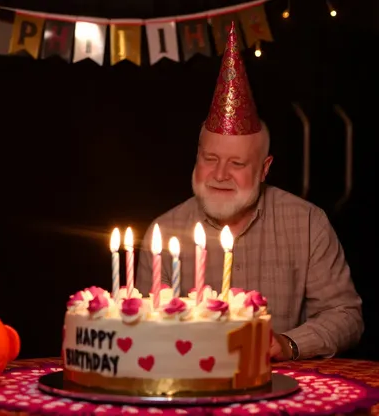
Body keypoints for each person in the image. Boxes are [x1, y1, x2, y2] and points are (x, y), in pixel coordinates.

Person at [135, 23, 363, 362]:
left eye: (237, 163)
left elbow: (345, 314)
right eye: (210, 158)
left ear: (264, 169)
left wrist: (287, 344)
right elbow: (140, 329)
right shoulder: (163, 232)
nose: (221, 174)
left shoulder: (308, 222)